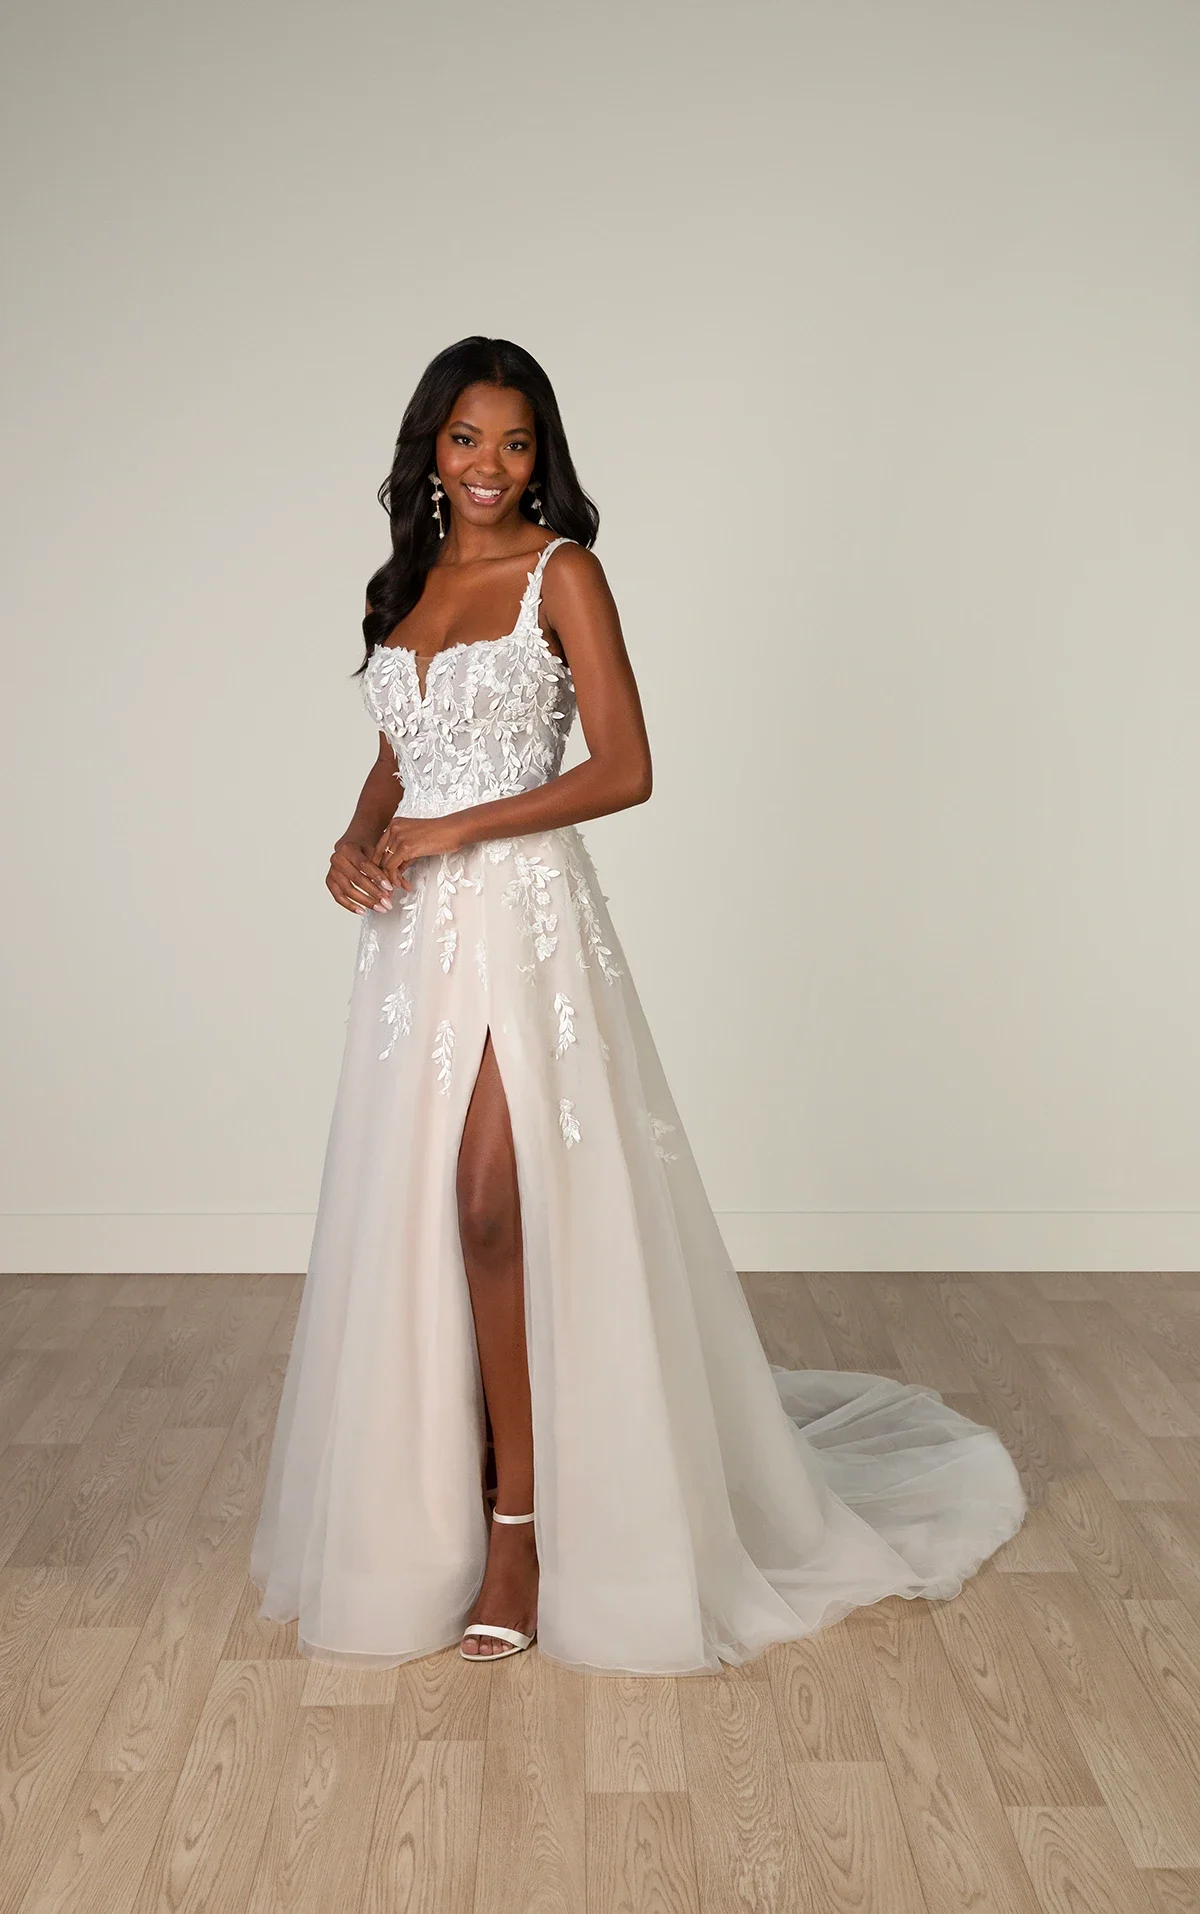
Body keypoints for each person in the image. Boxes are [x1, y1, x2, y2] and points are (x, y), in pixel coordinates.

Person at [249, 335, 1028, 1674]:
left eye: (515, 443)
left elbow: (625, 767)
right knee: (425, 1219)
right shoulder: (409, 585)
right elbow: (399, 753)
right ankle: (451, 1491)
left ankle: (522, 1526)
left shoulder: (562, 572)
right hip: (411, 943)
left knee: (494, 1201)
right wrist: (356, 837)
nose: (490, 466)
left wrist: (458, 830)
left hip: (523, 923)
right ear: (428, 450)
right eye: (465, 440)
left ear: (540, 456)